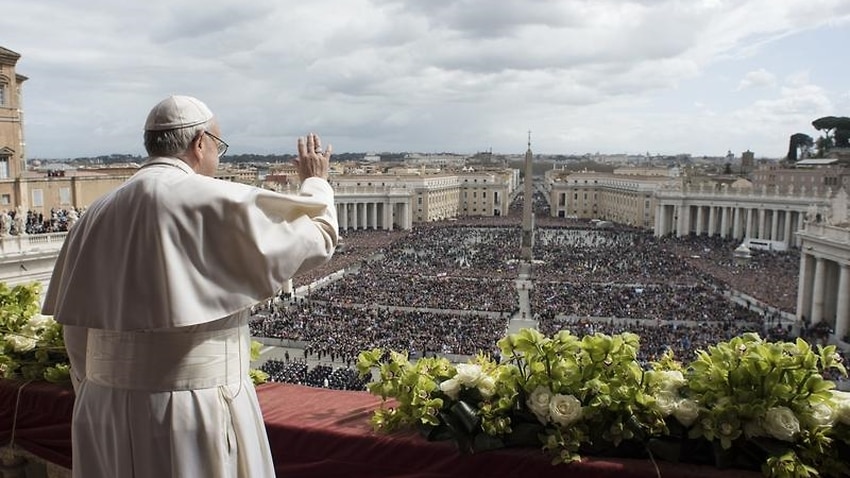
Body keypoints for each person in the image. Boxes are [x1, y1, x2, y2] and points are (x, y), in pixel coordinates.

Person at [42, 95, 339, 478]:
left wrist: (101, 392)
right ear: (201, 143)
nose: (218, 157)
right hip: (194, 409)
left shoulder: (94, 214)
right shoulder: (215, 198)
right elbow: (318, 239)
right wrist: (316, 182)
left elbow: (76, 332)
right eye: (219, 146)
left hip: (103, 411)